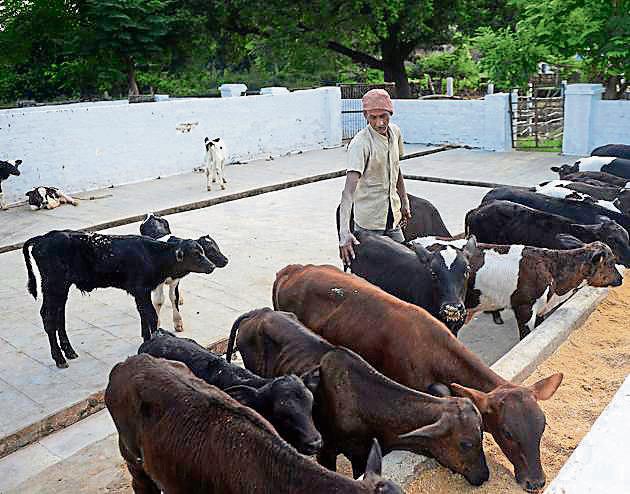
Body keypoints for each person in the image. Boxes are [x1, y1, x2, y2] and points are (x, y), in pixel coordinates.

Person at [338, 88, 411, 266]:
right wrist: (344, 233)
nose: (379, 123)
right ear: (365, 116)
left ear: (391, 113)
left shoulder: (395, 133)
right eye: (373, 117)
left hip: (392, 216)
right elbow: (348, 193)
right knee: (370, 273)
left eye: (383, 116)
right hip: (369, 222)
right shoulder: (360, 144)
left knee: (405, 264)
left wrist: (404, 201)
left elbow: (396, 168)